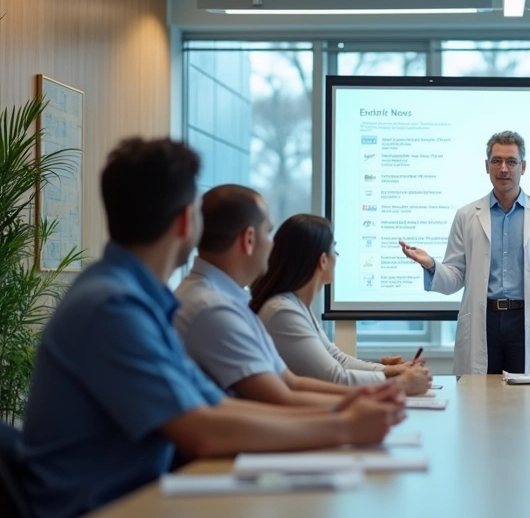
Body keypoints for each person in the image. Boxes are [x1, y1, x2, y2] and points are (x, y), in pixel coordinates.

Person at [17, 139, 405, 518]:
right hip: (107, 505)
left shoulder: (135, 297)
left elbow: (217, 405)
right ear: (188, 221)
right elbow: (203, 431)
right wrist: (342, 426)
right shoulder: (113, 306)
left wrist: (343, 411)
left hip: (138, 494)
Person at [175, 184, 432, 402]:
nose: (271, 245)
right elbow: (286, 395)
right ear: (249, 239)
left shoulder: (229, 300)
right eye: (268, 232)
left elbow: (293, 383)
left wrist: (391, 374)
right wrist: (395, 386)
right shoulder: (215, 307)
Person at [399, 131, 530, 375]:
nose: (504, 169)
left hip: (524, 320)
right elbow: (455, 276)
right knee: (480, 399)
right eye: (497, 161)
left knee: (528, 400)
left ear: (523, 167)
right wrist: (431, 265)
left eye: (511, 162)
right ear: (487, 166)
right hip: (483, 319)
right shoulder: (466, 216)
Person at [251, 214, 425, 386]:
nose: (338, 256)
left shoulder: (294, 304)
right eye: (334, 249)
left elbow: (337, 359)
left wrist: (391, 371)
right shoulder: (283, 311)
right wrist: (400, 382)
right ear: (323, 261)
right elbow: (335, 377)